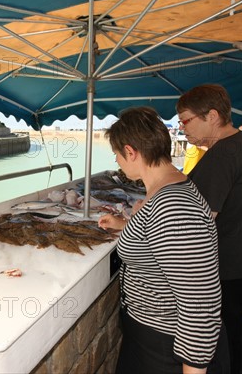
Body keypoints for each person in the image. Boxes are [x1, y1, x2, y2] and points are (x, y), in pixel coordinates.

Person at [98, 107, 224, 374]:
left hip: (166, 346)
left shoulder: (172, 206)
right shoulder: (168, 189)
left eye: (117, 155)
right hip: (150, 334)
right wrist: (126, 225)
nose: (118, 162)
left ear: (130, 152)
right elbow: (162, 242)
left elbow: (200, 303)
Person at [176, 84, 242, 374]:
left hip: (229, 266)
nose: (182, 129)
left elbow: (196, 223)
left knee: (218, 343)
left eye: (186, 120)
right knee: (232, 332)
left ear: (213, 116)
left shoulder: (222, 155)